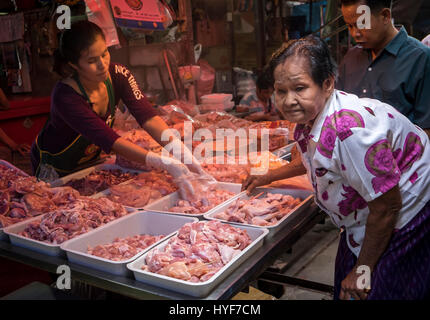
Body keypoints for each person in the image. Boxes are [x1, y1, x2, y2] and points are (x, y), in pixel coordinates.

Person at [243, 36, 430, 300]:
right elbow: (315, 156)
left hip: (407, 208)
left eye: (300, 88)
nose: (288, 100)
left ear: (327, 83)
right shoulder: (314, 115)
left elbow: (387, 206)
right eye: (281, 91)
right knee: (346, 278)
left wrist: (362, 271)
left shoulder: (348, 132)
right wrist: (270, 175)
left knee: (374, 287)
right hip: (368, 212)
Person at [30, 20, 210, 197]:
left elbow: (148, 118)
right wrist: (165, 163)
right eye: (92, 60)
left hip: (90, 163)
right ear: (74, 65)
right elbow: (109, 139)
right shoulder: (65, 96)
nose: (103, 64)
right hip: (56, 167)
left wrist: (181, 152)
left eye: (104, 53)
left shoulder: (118, 74)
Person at [337, 0, 430, 137]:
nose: (355, 33)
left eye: (361, 24)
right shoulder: (350, 59)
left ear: (385, 16)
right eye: (349, 26)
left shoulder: (420, 58)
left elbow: (426, 130)